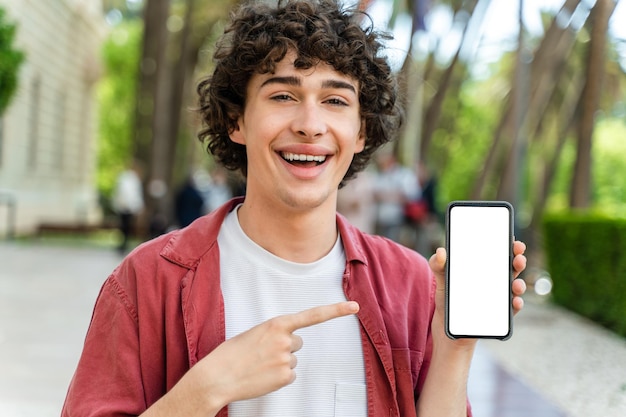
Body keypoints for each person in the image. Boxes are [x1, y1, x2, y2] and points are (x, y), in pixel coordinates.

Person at [61, 1, 527, 416]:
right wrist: (205, 389)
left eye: (335, 100)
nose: (310, 124)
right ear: (237, 120)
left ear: (361, 132)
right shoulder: (145, 281)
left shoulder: (410, 284)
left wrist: (455, 347)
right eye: (283, 95)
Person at [111, 160, 144, 254]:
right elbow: (132, 194)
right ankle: (124, 244)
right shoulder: (132, 179)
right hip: (128, 207)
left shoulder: (125, 177)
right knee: (126, 227)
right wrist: (136, 206)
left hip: (125, 206)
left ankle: (124, 244)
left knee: (124, 227)